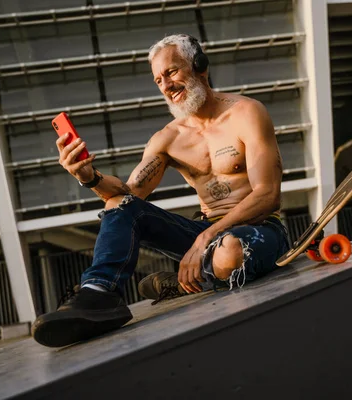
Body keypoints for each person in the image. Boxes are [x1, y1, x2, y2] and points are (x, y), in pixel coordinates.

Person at [31, 34, 290, 348]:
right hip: (203, 232)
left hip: (258, 229)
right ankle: (98, 294)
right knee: (121, 205)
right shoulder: (167, 138)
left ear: (200, 66)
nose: (166, 85)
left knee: (230, 250)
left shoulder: (247, 113)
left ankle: (190, 283)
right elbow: (127, 196)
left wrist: (205, 239)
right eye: (158, 80)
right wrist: (89, 176)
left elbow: (267, 195)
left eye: (171, 72)